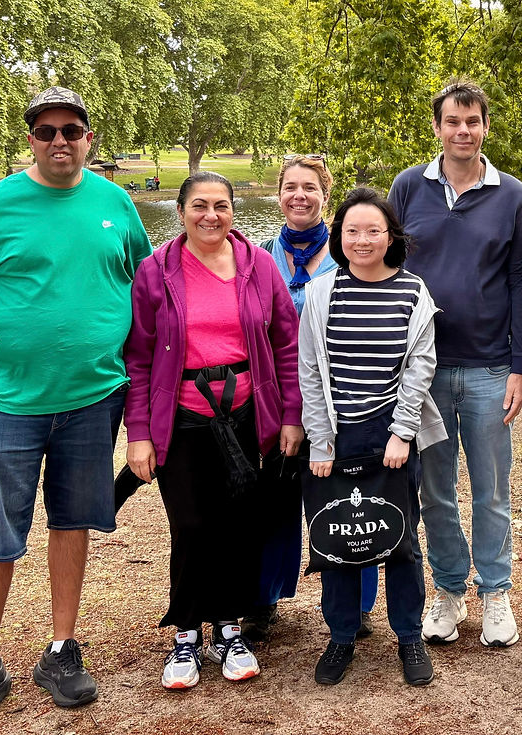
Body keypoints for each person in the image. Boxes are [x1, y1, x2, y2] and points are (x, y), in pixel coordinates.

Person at [0, 86, 152, 734]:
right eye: (47, 130)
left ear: (89, 138)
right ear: (31, 139)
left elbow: (149, 282)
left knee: (72, 521)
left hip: (94, 398)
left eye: (71, 130)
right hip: (10, 403)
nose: (60, 140)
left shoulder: (116, 204)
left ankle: (61, 650)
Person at [123, 171, 302, 690]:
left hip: (246, 414)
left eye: (221, 205)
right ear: (181, 212)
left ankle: (228, 629)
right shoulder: (156, 272)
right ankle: (186, 634)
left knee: (237, 523)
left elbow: (287, 345)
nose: (210, 215)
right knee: (192, 524)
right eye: (199, 205)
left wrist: (291, 416)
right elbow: (138, 358)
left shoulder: (258, 266)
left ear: (233, 211)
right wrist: (139, 432)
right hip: (180, 417)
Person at [389, 77, 522, 647]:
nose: (463, 131)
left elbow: (518, 280)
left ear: (485, 127)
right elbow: (390, 269)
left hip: (490, 366)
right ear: (437, 127)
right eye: (453, 121)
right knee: (436, 491)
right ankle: (449, 590)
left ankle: (496, 591)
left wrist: (521, 364)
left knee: (492, 490)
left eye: (472, 121)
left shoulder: (511, 194)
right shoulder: (408, 186)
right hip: (422, 369)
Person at [298, 187, 446, 686]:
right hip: (337, 433)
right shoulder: (322, 291)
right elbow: (309, 370)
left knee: (401, 538)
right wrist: (320, 439)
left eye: (373, 231)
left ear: (390, 237)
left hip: (390, 430)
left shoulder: (413, 292)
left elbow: (420, 367)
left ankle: (409, 636)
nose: (362, 240)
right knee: (337, 534)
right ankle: (341, 636)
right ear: (339, 236)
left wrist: (403, 433)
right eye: (352, 231)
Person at [249, 154, 379, 641]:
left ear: (326, 194)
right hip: (274, 402)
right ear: (279, 194)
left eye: (310, 187)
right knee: (271, 504)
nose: (299, 196)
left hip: (340, 400)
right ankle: (263, 599)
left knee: (348, 503)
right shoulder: (259, 257)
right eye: (290, 187)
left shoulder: (349, 255)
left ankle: (356, 603)